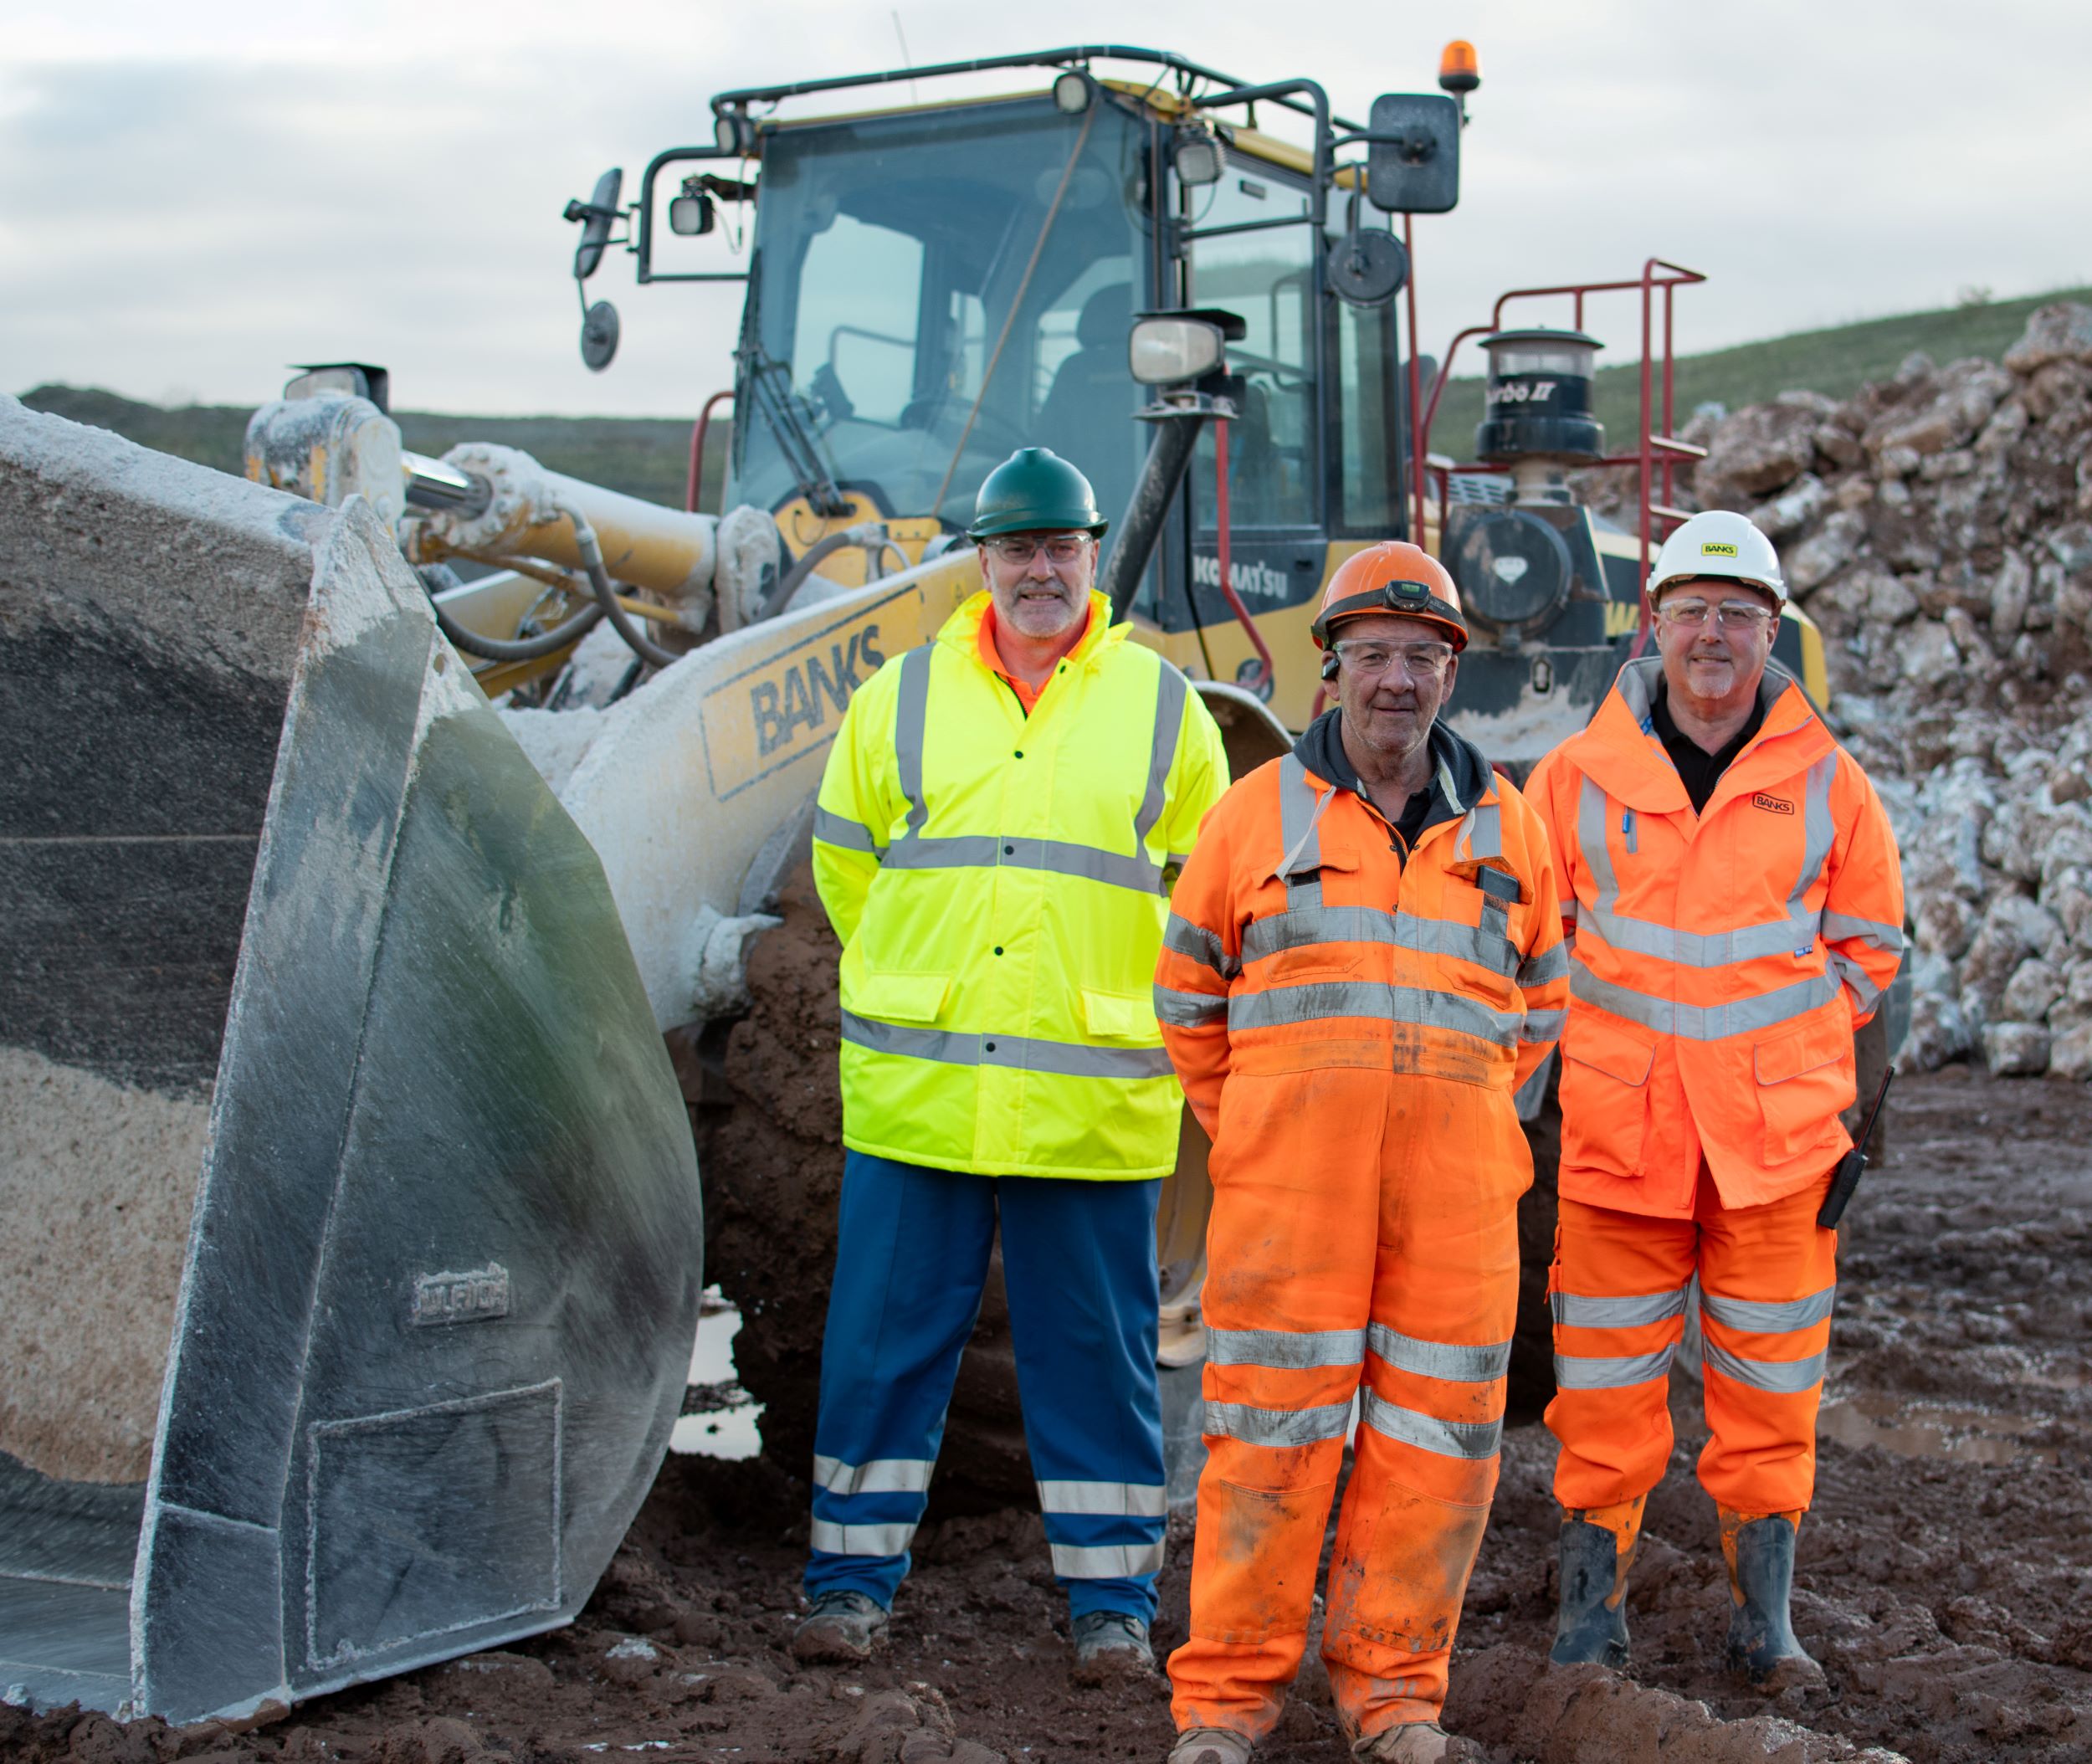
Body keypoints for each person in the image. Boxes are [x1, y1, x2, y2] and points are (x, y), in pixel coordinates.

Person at [793, 447, 1230, 1683]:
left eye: (1061, 547)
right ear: (980, 564)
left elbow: (1211, 904)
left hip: (1088, 1104)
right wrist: (917, 986)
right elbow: (848, 872)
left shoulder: (1162, 707)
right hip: (919, 1096)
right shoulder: (900, 700)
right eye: (1017, 549)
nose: (1040, 569)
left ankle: (1111, 1610)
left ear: (1094, 557)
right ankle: (846, 1588)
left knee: (1097, 1363)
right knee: (880, 1352)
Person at [1154, 543, 1568, 1764]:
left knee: (1437, 1451)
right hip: (1289, 1204)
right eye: (1375, 654)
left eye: (1423, 656)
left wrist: (1457, 1120)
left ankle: (1393, 1702)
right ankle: (1225, 1710)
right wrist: (1273, 1129)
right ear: (1331, 667)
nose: (1398, 679)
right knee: (1266, 1443)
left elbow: (1539, 1011)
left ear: (1454, 674)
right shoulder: (1252, 818)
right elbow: (1186, 1003)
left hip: (1458, 1207)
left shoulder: (1512, 830)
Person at [1525, 509, 1905, 1685]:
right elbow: (1533, 943)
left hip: (1773, 1154)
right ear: (1655, 625)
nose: (1712, 636)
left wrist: (1775, 1060)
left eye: (1737, 616)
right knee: (1599, 1396)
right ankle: (1593, 1619)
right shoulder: (1574, 779)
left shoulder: (1831, 785)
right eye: (1692, 611)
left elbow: (1871, 952)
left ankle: (1765, 1622)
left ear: (1771, 634)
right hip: (1619, 1147)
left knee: (1772, 1393)